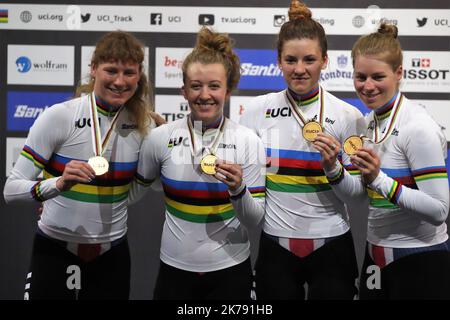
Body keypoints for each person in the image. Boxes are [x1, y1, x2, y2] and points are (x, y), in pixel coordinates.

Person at [3, 30, 159, 300]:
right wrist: (59, 184)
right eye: (111, 70)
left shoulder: (145, 126)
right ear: (94, 69)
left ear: (139, 75)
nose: (120, 81)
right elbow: (11, 191)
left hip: (112, 254)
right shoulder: (59, 117)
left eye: (129, 73)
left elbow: (135, 192)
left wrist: (165, 145)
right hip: (55, 250)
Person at [239, 0, 366, 300]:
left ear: (324, 60)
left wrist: (334, 168)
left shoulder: (350, 116)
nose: (299, 69)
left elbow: (358, 197)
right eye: (290, 60)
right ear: (278, 60)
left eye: (309, 59)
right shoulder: (257, 111)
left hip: (333, 247)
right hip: (275, 248)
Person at [315, 23, 450, 299]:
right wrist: (332, 168)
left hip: (420, 258)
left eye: (378, 77)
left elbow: (439, 211)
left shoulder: (418, 128)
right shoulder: (367, 125)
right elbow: (358, 198)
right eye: (360, 76)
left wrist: (379, 179)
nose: (367, 86)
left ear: (399, 73)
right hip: (375, 257)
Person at [133, 27, 266, 300]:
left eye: (214, 86)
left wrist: (238, 189)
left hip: (231, 271)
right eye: (196, 86)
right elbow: (132, 194)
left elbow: (254, 220)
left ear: (228, 90)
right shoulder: (160, 138)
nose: (205, 95)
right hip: (174, 272)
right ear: (183, 90)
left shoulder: (248, 141)